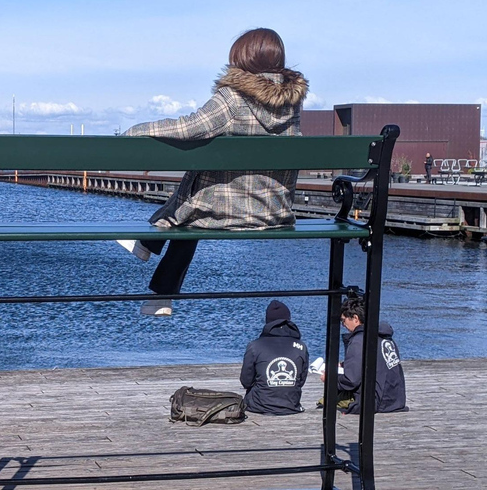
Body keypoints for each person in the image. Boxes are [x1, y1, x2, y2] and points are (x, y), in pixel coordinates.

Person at [118, 28, 309, 316]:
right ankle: (153, 270)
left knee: (196, 197)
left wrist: (135, 132)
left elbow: (188, 127)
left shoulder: (233, 98)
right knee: (201, 189)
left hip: (230, 214)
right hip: (275, 213)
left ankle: (155, 270)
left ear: (243, 58)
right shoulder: (292, 103)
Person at [320, 297, 407, 414]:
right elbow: (375, 362)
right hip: (395, 400)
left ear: (355, 318)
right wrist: (344, 365)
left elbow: (351, 381)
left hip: (375, 403)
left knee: (325, 403)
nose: (343, 324)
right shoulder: (384, 337)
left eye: (343, 320)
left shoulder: (359, 340)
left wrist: (330, 379)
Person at [240, 300, 309, 415]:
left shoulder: (254, 346)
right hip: (291, 405)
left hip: (259, 406)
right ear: (288, 320)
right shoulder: (301, 346)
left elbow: (246, 382)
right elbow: (301, 381)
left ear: (267, 322)